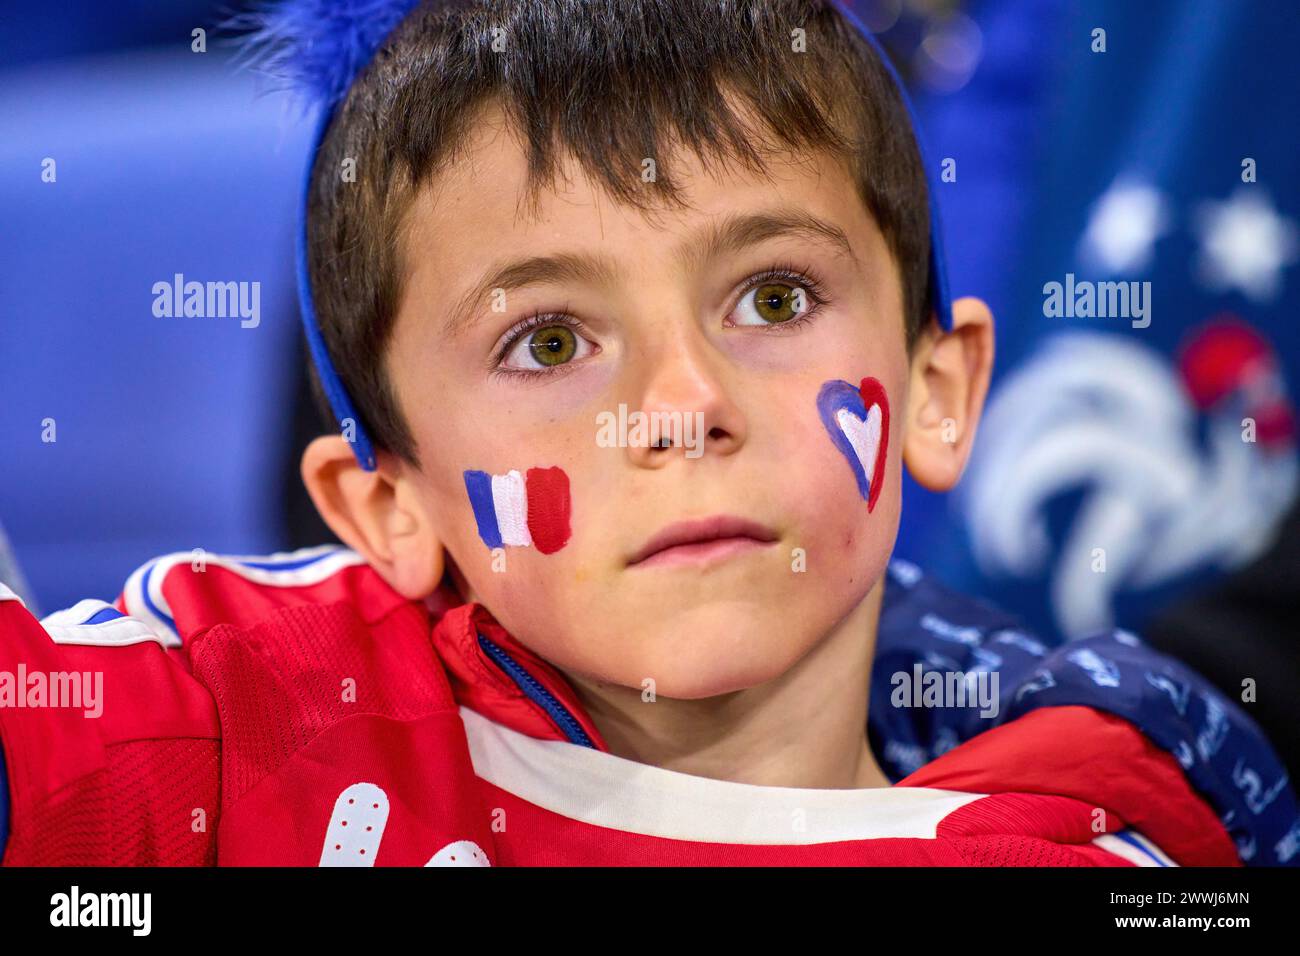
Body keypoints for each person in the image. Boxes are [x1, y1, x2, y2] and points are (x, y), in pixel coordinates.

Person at [0, 0, 1294, 866]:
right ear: (387, 506)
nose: (683, 404)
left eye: (773, 300)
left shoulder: (1094, 840)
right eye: (550, 343)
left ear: (941, 391)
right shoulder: (248, 722)